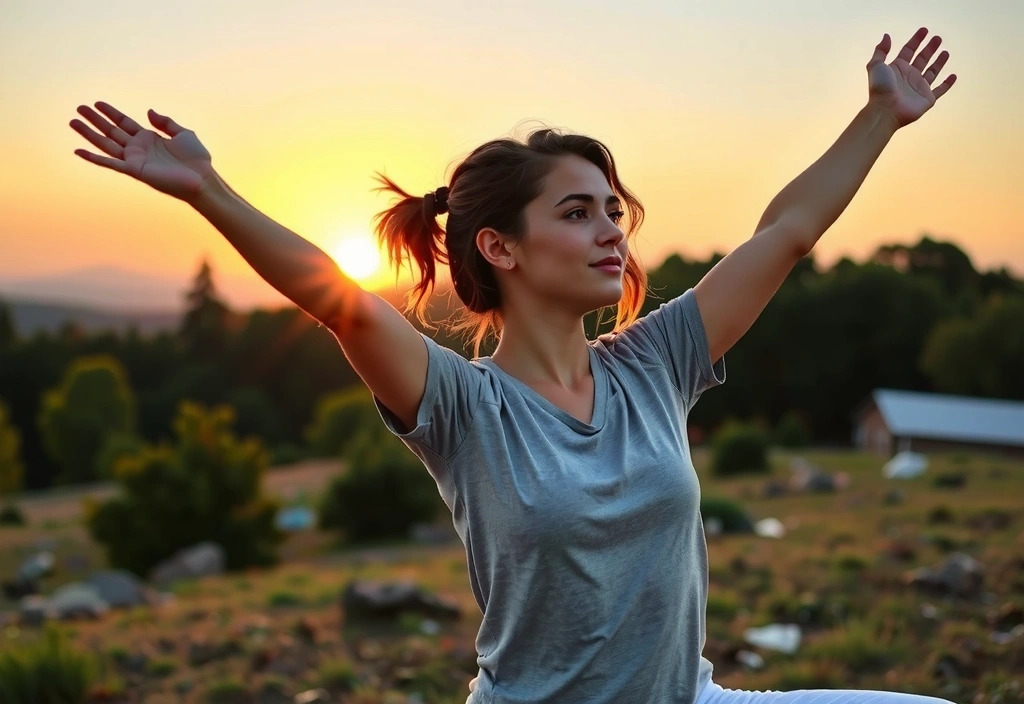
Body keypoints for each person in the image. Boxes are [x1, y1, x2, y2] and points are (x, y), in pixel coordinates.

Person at [69, 26, 957, 704]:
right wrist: (208, 191)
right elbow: (334, 299)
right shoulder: (462, 407)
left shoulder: (657, 361)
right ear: (500, 246)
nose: (612, 229)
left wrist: (880, 115)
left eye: (614, 209)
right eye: (577, 212)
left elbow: (785, 235)